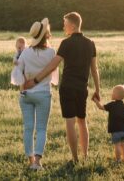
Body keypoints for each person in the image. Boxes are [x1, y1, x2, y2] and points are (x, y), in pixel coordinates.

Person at [22, 12, 100, 164]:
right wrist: (97, 90)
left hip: (67, 88)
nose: (63, 26)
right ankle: (85, 156)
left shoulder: (66, 43)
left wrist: (36, 79)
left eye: (65, 23)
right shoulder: (91, 43)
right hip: (82, 88)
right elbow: (94, 69)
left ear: (72, 25)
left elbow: (52, 65)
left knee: (70, 122)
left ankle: (75, 159)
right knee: (82, 121)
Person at [18, 19, 58, 171]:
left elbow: (18, 73)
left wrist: (22, 88)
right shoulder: (51, 52)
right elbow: (54, 74)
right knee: (41, 129)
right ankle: (37, 162)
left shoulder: (25, 53)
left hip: (26, 94)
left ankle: (30, 161)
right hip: (43, 94)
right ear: (46, 35)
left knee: (28, 128)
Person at [94, 84, 124, 163]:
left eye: (113, 93)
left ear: (116, 96)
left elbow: (101, 107)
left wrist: (96, 101)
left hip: (116, 130)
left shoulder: (112, 105)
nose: (111, 94)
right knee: (123, 145)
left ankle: (118, 160)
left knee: (117, 145)